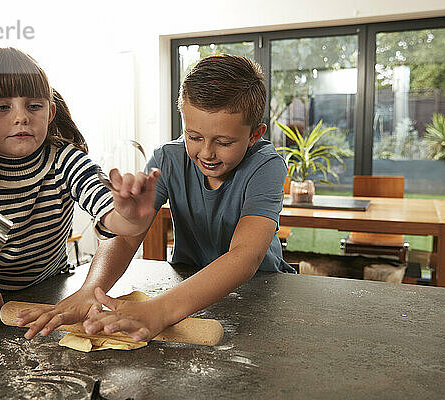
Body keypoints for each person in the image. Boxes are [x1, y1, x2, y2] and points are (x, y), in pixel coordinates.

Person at [18, 54, 294, 342]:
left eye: (224, 142)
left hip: (258, 291)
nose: (207, 152)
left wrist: (159, 311)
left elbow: (244, 256)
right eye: (194, 136)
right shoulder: (168, 159)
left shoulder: (266, 167)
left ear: (254, 135)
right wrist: (90, 291)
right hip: (186, 289)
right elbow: (126, 236)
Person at [0, 47, 160, 329]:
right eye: (2, 107)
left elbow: (110, 216)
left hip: (48, 292)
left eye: (34, 106)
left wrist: (127, 215)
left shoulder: (65, 160)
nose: (21, 117)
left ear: (50, 112)